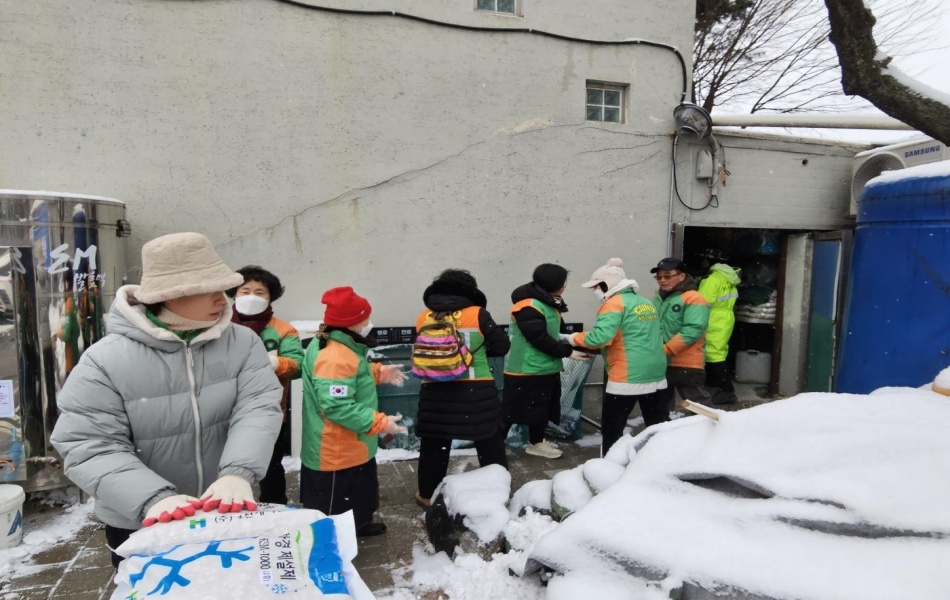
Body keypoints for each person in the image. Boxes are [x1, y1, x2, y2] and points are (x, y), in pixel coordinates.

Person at [50, 232, 283, 569]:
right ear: (171, 295)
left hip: (224, 511)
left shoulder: (243, 343)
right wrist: (153, 498)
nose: (223, 298)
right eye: (211, 289)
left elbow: (258, 406)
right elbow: (89, 443)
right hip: (140, 520)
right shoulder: (105, 360)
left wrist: (237, 473)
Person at [300, 286, 407, 537]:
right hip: (336, 450)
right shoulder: (334, 357)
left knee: (358, 492)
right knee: (336, 503)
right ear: (353, 323)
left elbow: (349, 379)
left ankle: (358, 525)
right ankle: (334, 541)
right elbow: (337, 406)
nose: (369, 323)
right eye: (365, 318)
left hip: (352, 445)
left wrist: (378, 372)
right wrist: (379, 422)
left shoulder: (340, 344)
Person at [414, 269, 510, 508]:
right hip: (475, 390)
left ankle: (427, 494)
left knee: (434, 444)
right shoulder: (477, 314)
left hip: (434, 388)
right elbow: (502, 346)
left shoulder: (424, 316)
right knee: (488, 439)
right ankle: (497, 492)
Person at [566, 258, 668, 456]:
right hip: (655, 372)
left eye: (595, 287)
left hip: (627, 374)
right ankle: (660, 460)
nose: (595, 292)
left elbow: (599, 338)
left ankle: (611, 464)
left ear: (605, 285)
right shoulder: (645, 303)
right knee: (657, 424)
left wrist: (571, 338)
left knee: (613, 424)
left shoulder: (614, 304)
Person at [227, 265, 305, 504]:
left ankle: (274, 507)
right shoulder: (219, 326)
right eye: (245, 291)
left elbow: (298, 365)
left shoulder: (283, 329)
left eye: (259, 292)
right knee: (226, 468)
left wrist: (275, 363)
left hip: (269, 409)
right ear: (234, 294)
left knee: (270, 466)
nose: (251, 296)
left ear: (271, 296)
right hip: (224, 409)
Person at [500, 264, 582, 459]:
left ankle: (536, 443)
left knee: (541, 409)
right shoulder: (527, 305)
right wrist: (567, 352)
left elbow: (552, 334)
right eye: (562, 283)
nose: (564, 287)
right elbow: (537, 337)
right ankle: (493, 446)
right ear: (551, 283)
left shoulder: (549, 304)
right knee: (510, 411)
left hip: (544, 367)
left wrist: (572, 340)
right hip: (524, 369)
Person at [651, 257, 711, 411]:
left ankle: (714, 434)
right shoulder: (659, 298)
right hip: (661, 363)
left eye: (667, 276)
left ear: (682, 276)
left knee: (700, 410)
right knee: (659, 409)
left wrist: (666, 350)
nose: (662, 280)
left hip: (686, 364)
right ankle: (664, 434)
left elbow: (693, 330)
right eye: (659, 277)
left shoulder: (693, 297)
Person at [696, 251, 741, 405]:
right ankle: (713, 385)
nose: (702, 263)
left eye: (703, 260)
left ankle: (727, 390)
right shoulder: (728, 278)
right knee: (719, 351)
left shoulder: (712, 280)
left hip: (713, 319)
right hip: (725, 318)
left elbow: (701, 303)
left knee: (714, 354)